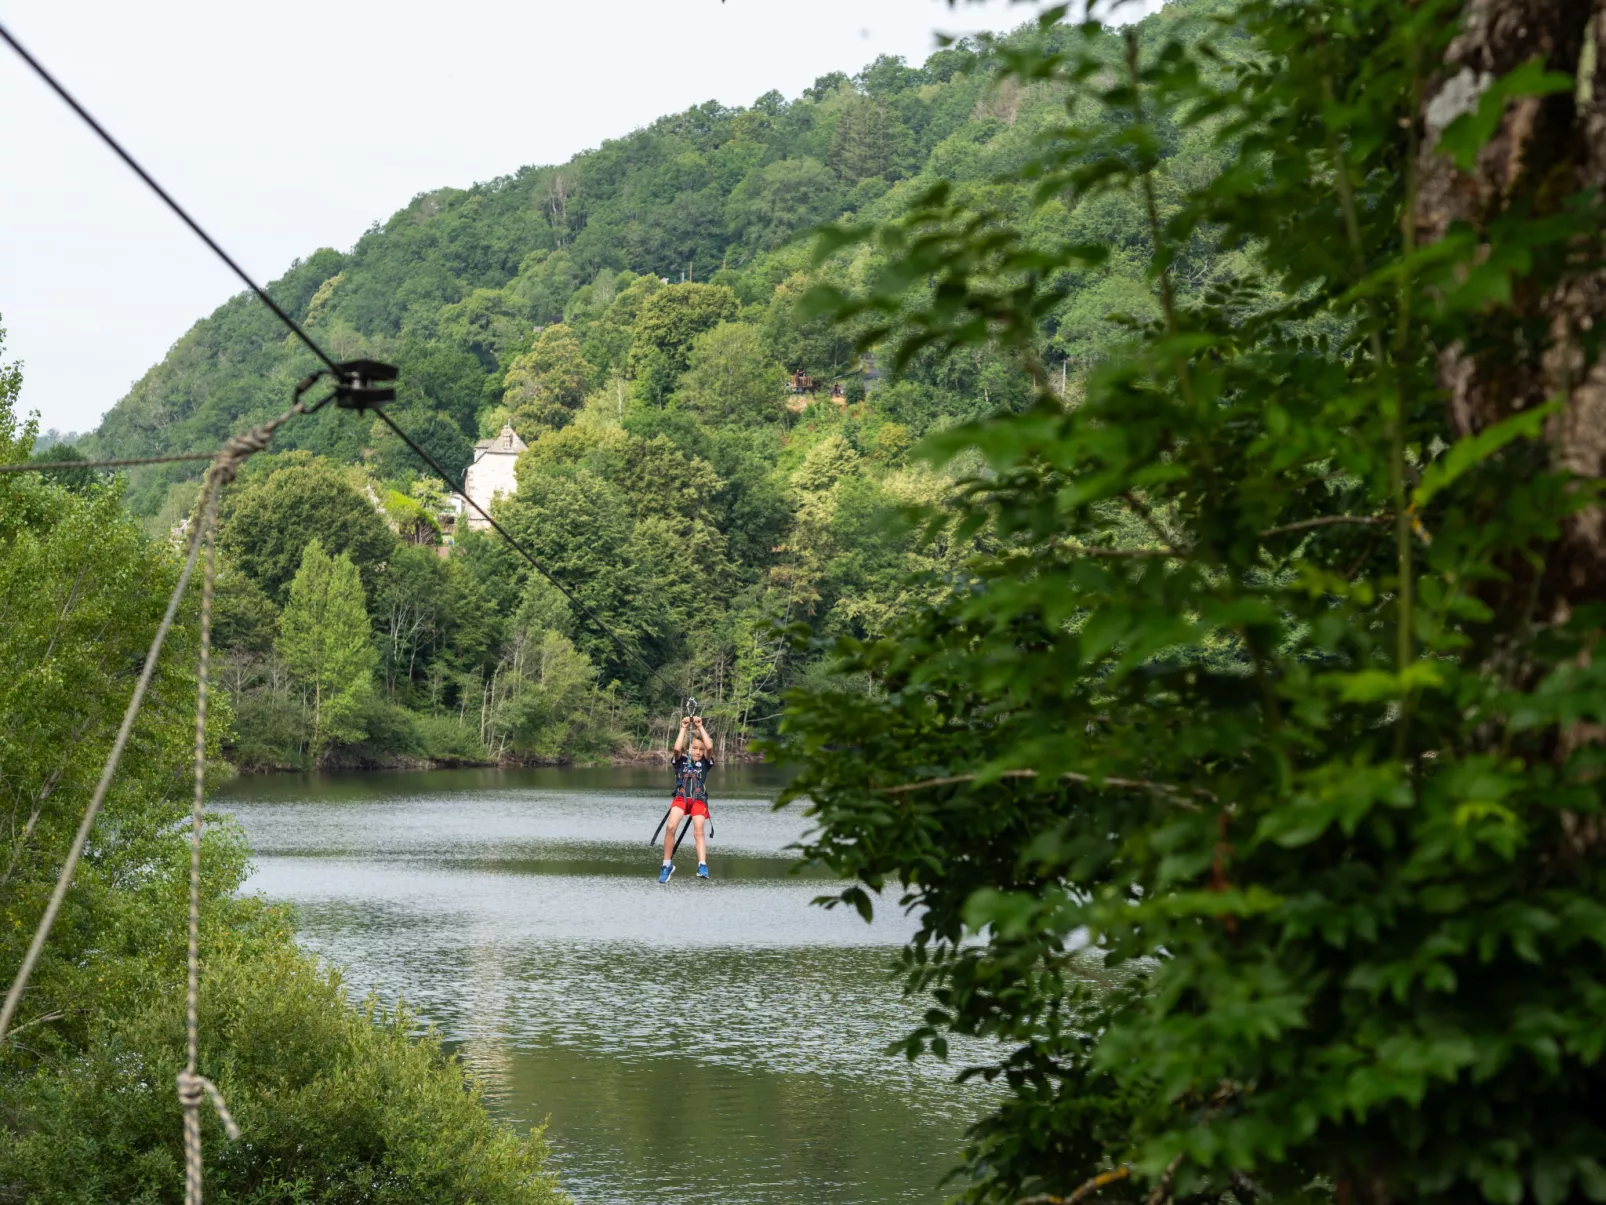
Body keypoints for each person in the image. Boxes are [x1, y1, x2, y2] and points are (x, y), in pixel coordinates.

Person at [659, 714, 714, 883]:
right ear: (688, 749)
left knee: (698, 830)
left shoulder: (705, 763)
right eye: (694, 748)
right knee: (671, 826)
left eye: (700, 749)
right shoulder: (680, 761)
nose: (697, 751)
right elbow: (676, 748)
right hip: (681, 798)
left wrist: (700, 726)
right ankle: (667, 864)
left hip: (698, 799)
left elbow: (710, 746)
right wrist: (683, 727)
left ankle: (702, 865)